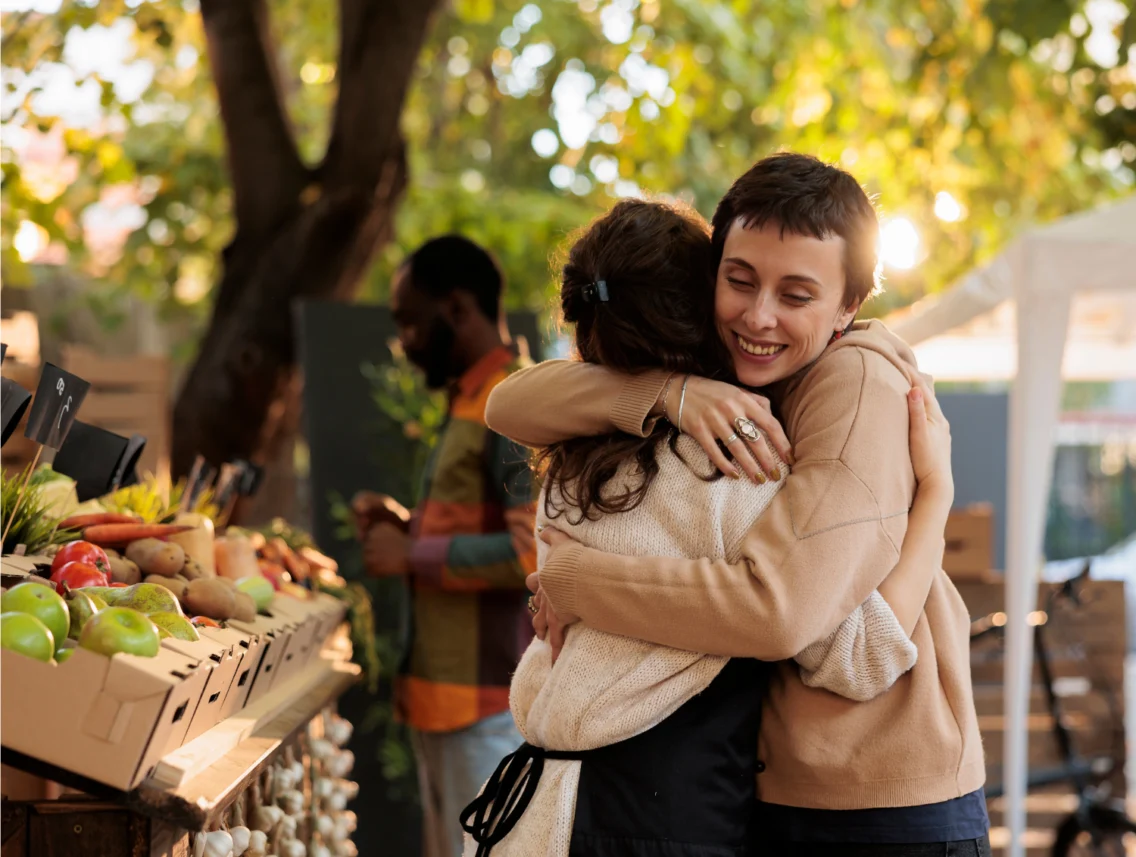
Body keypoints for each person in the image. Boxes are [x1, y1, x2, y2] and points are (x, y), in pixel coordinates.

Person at [485, 154, 990, 856]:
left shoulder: (854, 386)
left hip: (874, 796)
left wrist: (576, 581)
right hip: (773, 790)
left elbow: (783, 610)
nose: (758, 315)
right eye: (740, 280)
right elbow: (508, 403)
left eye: (797, 294)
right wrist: (668, 393)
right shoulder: (723, 399)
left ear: (850, 305)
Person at [353, 235, 537, 857]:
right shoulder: (469, 397)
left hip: (486, 709)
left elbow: (533, 556)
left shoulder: (510, 403)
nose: (402, 339)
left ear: (457, 308)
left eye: (409, 319)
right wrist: (408, 525)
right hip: (445, 704)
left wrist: (412, 556)